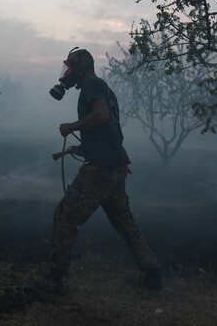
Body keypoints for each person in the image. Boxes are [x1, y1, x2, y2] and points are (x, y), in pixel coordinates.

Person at [42, 48, 162, 294]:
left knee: (65, 216)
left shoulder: (91, 84)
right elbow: (109, 131)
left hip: (102, 169)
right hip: (116, 166)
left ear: (82, 65)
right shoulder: (103, 88)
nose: (67, 74)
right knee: (124, 222)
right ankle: (152, 272)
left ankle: (56, 280)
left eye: (70, 67)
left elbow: (101, 116)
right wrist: (81, 147)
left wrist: (71, 126)